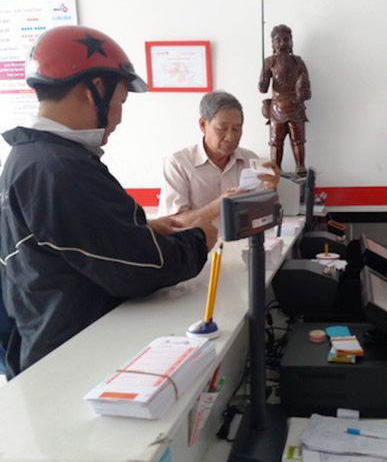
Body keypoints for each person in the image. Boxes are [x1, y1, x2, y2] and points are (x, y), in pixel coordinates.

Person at [0, 25, 218, 379]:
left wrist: (142, 228)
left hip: (49, 344)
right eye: (121, 102)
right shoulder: (60, 169)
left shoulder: (30, 158)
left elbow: (70, 243)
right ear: (96, 89)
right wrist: (200, 239)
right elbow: (140, 268)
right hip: (73, 364)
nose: (118, 117)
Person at [158, 91, 280, 226]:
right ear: (203, 125)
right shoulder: (178, 163)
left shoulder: (249, 159)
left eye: (236, 129)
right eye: (222, 128)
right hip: (200, 240)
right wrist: (219, 205)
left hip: (243, 238)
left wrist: (270, 188)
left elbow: (264, 216)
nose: (230, 137)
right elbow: (173, 223)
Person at [259, 24, 311, 175]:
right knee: (276, 142)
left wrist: (302, 92)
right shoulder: (269, 62)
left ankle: (300, 166)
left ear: (291, 42)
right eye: (278, 40)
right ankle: (276, 169)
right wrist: (263, 81)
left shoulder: (298, 62)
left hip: (296, 106)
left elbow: (307, 91)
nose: (282, 44)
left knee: (298, 140)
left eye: (286, 40)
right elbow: (263, 89)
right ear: (272, 44)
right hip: (277, 107)